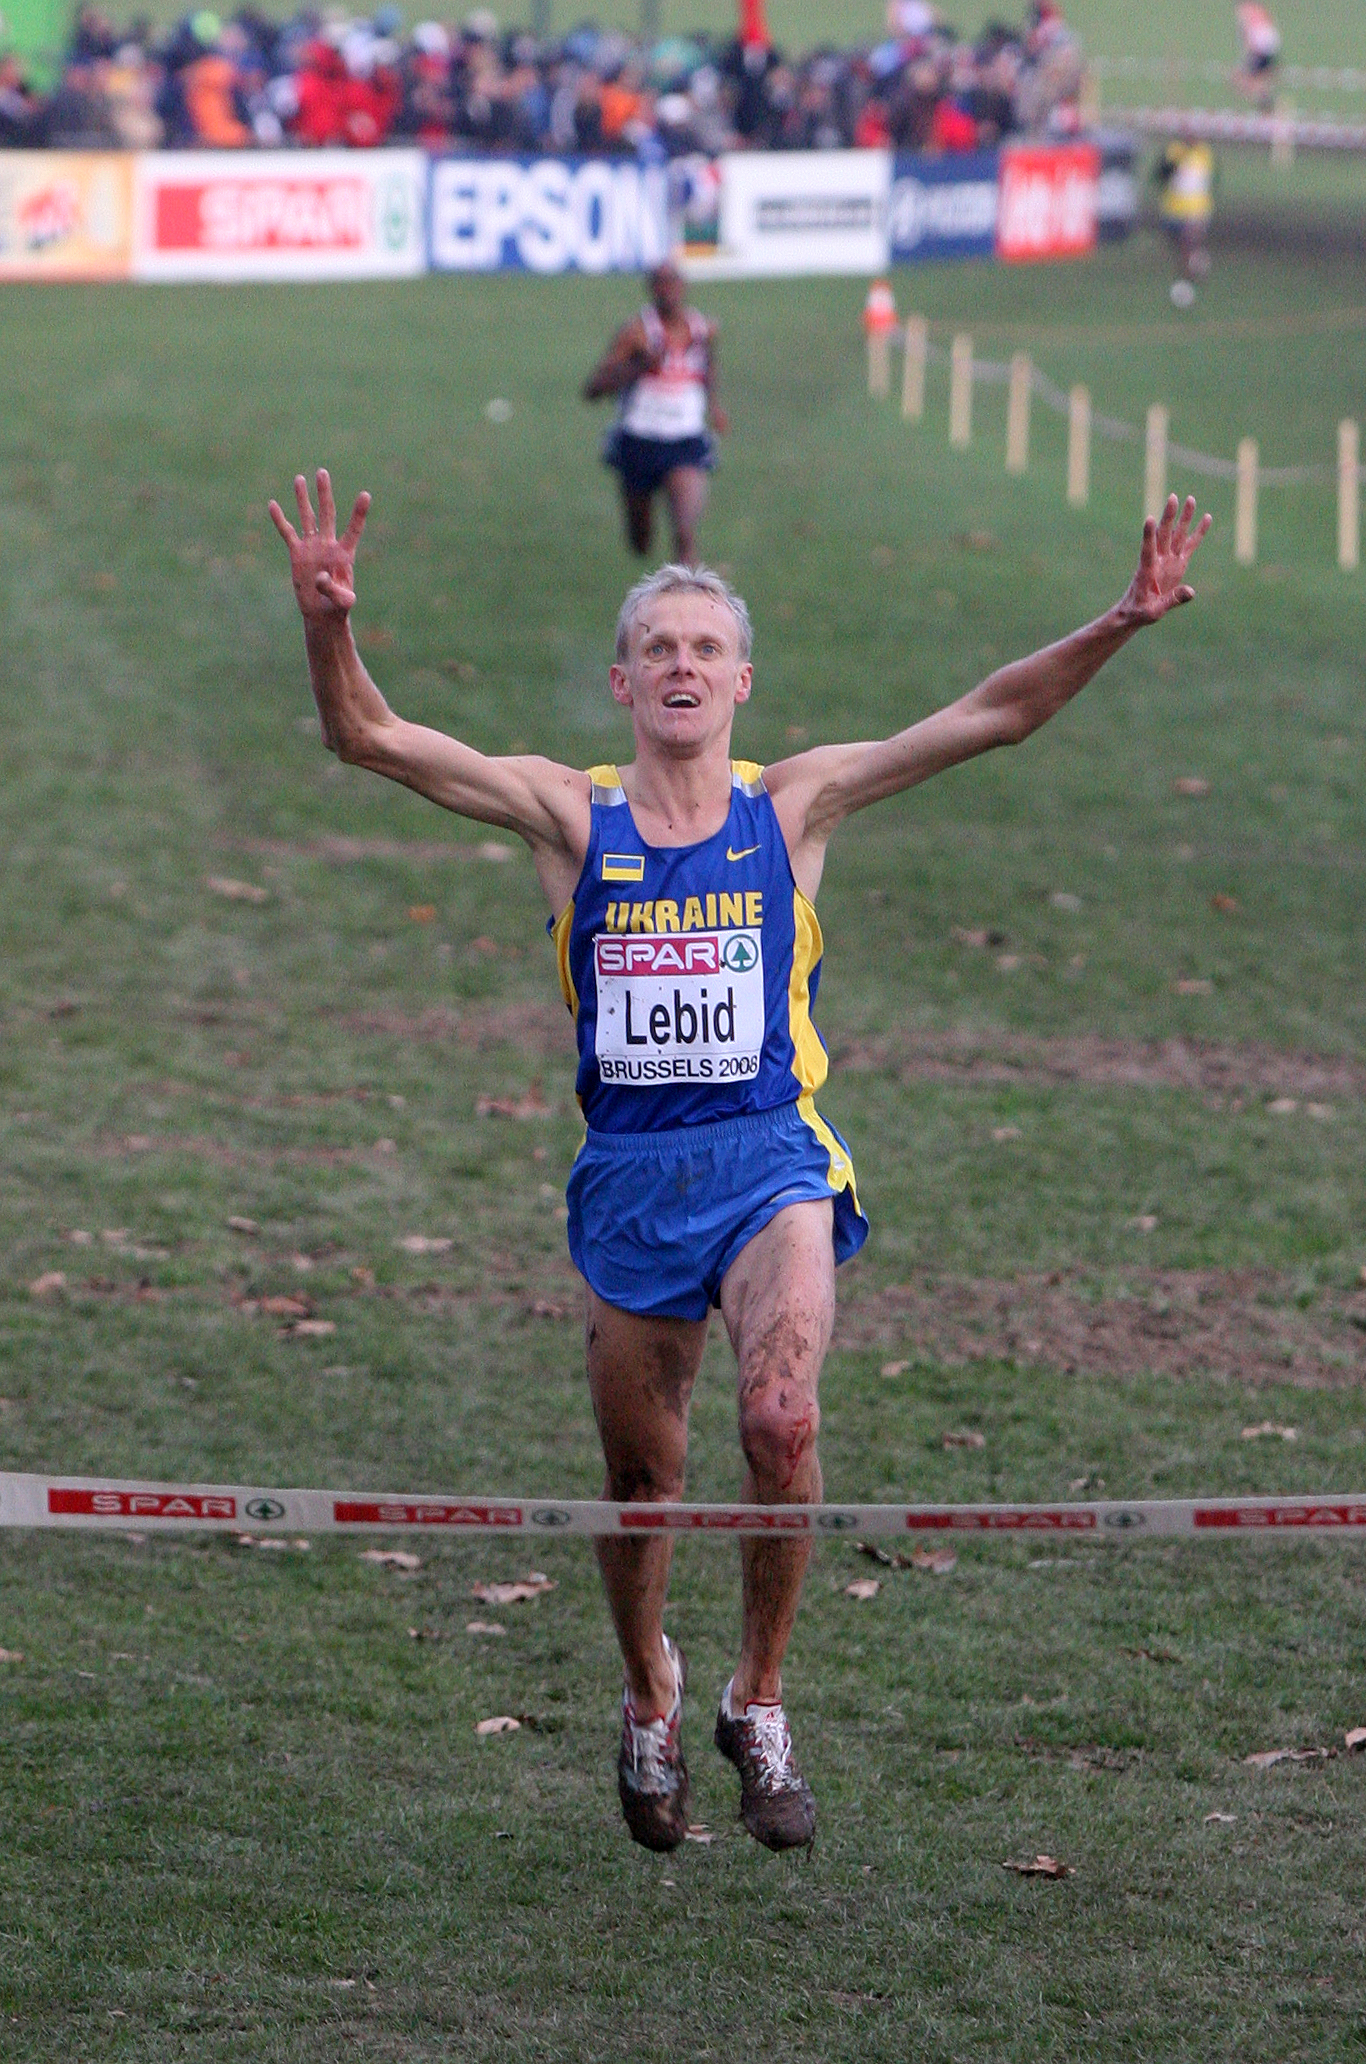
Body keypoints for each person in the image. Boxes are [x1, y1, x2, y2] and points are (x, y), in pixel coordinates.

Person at [269, 472, 1211, 1853]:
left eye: (705, 647)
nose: (681, 666)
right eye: (658, 648)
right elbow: (367, 736)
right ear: (620, 682)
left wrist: (1118, 619)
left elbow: (989, 715)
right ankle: (646, 1691)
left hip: (773, 1162)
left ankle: (756, 1696)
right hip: (633, 1181)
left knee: (780, 1422)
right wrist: (327, 623)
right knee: (643, 1484)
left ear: (742, 681)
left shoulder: (797, 806)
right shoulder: (568, 815)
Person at [584, 261, 727, 567]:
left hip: (685, 442)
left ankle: (685, 607)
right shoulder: (636, 333)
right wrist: (639, 366)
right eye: (660, 283)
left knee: (685, 533)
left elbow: (708, 366)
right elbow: (593, 388)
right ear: (651, 288)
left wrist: (714, 406)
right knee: (640, 541)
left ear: (684, 286)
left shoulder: (703, 330)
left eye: (672, 282)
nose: (667, 290)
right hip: (639, 442)